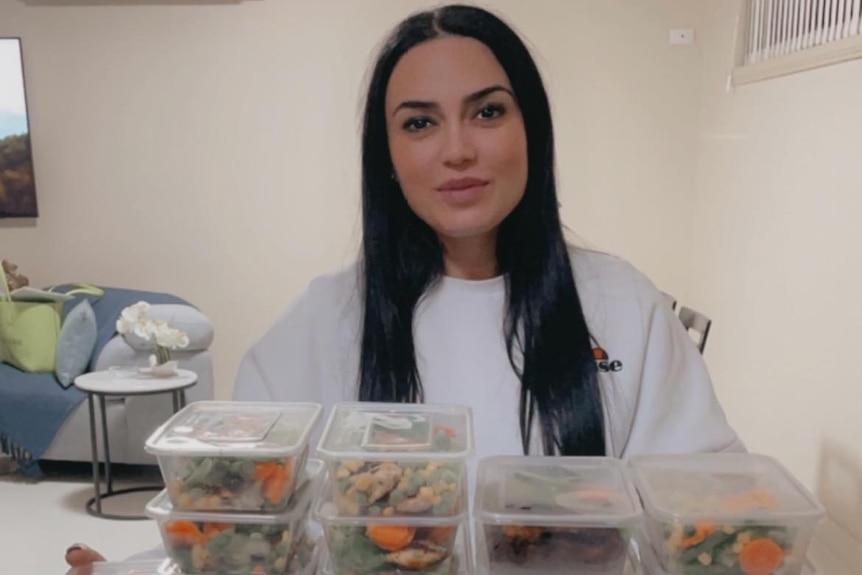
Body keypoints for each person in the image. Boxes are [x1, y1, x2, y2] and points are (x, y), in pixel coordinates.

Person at [65, 3, 743, 570]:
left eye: (487, 112)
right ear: (386, 157)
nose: (457, 150)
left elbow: (704, 524)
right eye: (419, 122)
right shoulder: (324, 319)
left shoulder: (623, 306)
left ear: (530, 128)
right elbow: (253, 527)